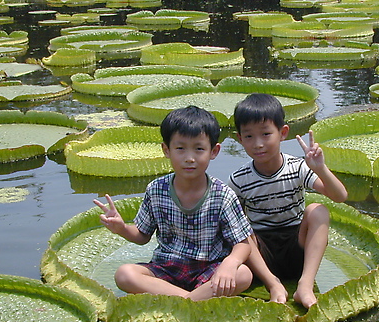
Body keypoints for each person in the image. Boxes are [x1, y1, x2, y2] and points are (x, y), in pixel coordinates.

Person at [94, 106, 253, 301]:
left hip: (209, 269)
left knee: (243, 273)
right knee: (124, 274)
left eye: (199, 149)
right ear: (166, 150)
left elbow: (243, 244)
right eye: (180, 148)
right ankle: (193, 301)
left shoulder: (223, 195)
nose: (189, 158)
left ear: (214, 151)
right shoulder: (156, 189)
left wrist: (230, 263)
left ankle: (182, 301)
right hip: (166, 269)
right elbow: (142, 235)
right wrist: (121, 228)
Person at [229, 93, 348, 309]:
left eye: (266, 134)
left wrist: (319, 167)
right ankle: (272, 283)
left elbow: (340, 196)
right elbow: (231, 224)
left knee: (318, 210)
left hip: (297, 246)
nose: (258, 144)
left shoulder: (298, 167)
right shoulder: (239, 179)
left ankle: (305, 285)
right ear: (239, 139)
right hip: (261, 256)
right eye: (249, 137)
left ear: (283, 133)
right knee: (239, 227)